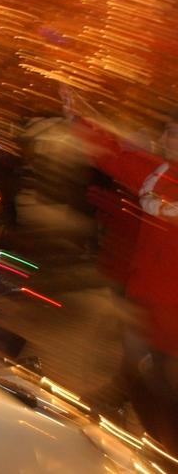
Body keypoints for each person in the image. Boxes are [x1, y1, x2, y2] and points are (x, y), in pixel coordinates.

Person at [64, 88, 178, 453]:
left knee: (159, 378)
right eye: (166, 131)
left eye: (175, 132)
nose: (166, 138)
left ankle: (165, 446)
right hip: (146, 296)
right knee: (144, 370)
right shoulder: (156, 172)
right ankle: (159, 442)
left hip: (173, 307)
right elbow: (114, 155)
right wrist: (78, 118)